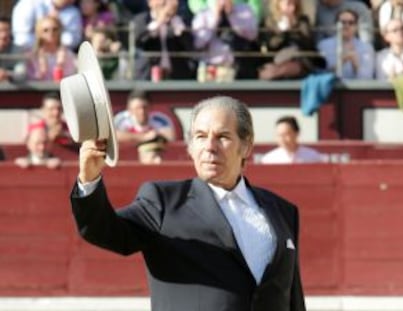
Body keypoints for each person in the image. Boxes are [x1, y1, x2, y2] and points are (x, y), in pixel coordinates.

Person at [70, 96, 306, 311]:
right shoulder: (163, 201)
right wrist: (89, 179)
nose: (210, 147)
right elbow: (105, 231)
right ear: (191, 148)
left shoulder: (283, 210)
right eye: (200, 137)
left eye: (222, 137)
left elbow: (292, 296)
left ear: (246, 146)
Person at [317, 8, 375, 79]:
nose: (346, 26)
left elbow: (368, 79)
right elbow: (319, 75)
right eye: (343, 22)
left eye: (351, 23)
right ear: (335, 25)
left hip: (356, 89)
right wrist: (342, 61)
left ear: (356, 26)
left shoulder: (366, 48)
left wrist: (355, 63)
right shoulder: (323, 45)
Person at [11, 0, 82, 50]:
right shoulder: (29, 3)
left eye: (54, 29)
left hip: (61, 57)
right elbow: (21, 39)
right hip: (27, 55)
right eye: (46, 30)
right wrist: (43, 44)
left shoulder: (73, 11)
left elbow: (72, 40)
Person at [25, 16, 77, 81]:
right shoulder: (32, 55)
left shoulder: (68, 55)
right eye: (45, 30)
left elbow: (69, 80)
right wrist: (43, 69)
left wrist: (59, 66)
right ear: (39, 33)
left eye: (55, 29)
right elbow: (33, 81)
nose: (51, 33)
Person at [260, 115, 325, 164]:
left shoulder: (313, 156)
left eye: (286, 134)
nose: (282, 139)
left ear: (297, 133)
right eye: (279, 135)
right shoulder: (269, 159)